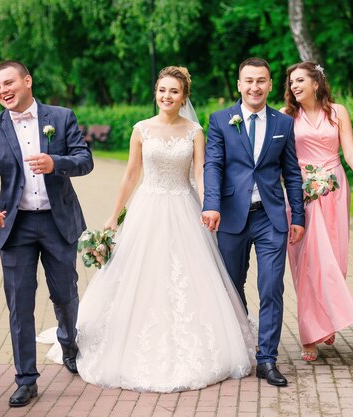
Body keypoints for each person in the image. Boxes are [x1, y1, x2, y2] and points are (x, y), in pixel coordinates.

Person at [75, 66, 256, 393]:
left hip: (185, 209)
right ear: (156, 92)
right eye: (162, 90)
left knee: (191, 278)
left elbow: (201, 172)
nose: (166, 96)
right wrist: (114, 216)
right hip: (149, 207)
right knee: (143, 275)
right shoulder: (141, 130)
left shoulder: (194, 131)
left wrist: (208, 205)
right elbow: (131, 175)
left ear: (184, 96)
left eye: (174, 91)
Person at [0, 60, 93, 406]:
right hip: (16, 226)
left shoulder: (61, 117)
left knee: (65, 294)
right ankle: (26, 379)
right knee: (19, 305)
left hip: (58, 222)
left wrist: (57, 164)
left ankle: (69, 342)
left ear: (27, 81)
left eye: (8, 83)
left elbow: (85, 159)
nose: (3, 91)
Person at [202, 57, 305, 387]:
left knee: (272, 286)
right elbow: (213, 165)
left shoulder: (283, 124)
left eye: (261, 81)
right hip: (231, 217)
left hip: (270, 218)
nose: (254, 87)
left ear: (271, 85)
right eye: (248, 81)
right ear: (239, 84)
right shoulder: (220, 120)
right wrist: (211, 205)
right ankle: (243, 345)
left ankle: (267, 359)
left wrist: (298, 217)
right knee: (232, 286)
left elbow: (292, 173)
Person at [281, 62, 353, 362]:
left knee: (334, 258)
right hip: (300, 193)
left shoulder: (338, 111)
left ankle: (327, 319)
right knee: (306, 262)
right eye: (291, 81)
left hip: (334, 189)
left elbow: (351, 152)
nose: (293, 86)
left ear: (316, 83)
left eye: (300, 80)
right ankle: (309, 334)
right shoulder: (285, 116)